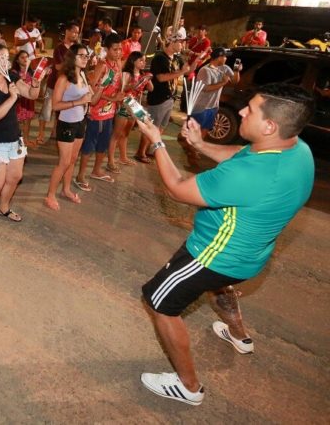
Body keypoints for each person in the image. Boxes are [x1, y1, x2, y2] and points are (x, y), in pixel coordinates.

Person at [135, 83, 315, 405]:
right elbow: (239, 154)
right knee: (222, 286)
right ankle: (238, 335)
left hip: (211, 256)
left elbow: (178, 187)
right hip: (253, 256)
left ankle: (188, 387)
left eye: (251, 109)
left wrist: (157, 142)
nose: (242, 111)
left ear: (269, 125)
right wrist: (200, 143)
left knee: (158, 302)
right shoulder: (297, 150)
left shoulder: (249, 176)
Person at [0, 44, 43, 239]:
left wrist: (36, 83)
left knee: (15, 177)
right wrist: (12, 97)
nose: (5, 60)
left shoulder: (10, 76)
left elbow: (30, 94)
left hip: (14, 137)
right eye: (1, 57)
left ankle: (3, 208)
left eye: (6, 57)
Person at [44, 45, 93, 210]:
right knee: (64, 162)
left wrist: (99, 89)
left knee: (73, 160)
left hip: (81, 121)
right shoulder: (64, 78)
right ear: (73, 57)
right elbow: (55, 106)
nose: (86, 58)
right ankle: (50, 195)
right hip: (66, 123)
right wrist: (79, 101)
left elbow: (90, 99)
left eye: (87, 55)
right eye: (82, 55)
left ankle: (65, 189)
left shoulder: (83, 75)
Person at [74, 34, 124, 190]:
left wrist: (120, 97)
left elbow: (118, 85)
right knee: (90, 144)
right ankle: (81, 175)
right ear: (107, 50)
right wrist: (113, 98)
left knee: (103, 143)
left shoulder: (118, 64)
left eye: (120, 49)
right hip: (96, 112)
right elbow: (93, 88)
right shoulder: (103, 65)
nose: (118, 52)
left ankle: (96, 170)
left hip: (110, 112)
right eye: (115, 49)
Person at [134, 37, 190, 163]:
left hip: (170, 97)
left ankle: (150, 150)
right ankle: (141, 152)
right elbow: (161, 78)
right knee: (152, 126)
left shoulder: (176, 58)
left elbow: (187, 72)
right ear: (171, 43)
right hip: (159, 97)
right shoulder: (160, 58)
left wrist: (197, 59)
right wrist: (181, 71)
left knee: (161, 127)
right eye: (180, 42)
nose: (182, 44)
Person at [36, 21, 80, 146]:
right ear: (67, 31)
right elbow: (58, 66)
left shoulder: (77, 48)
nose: (75, 35)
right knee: (47, 109)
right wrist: (73, 64)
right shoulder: (59, 48)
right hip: (54, 84)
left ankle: (54, 133)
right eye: (73, 32)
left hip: (69, 86)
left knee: (60, 111)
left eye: (77, 32)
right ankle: (40, 133)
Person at [107, 51, 153, 172]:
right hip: (124, 105)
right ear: (133, 61)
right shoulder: (126, 73)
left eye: (144, 61)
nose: (144, 63)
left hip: (135, 107)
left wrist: (147, 79)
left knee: (126, 133)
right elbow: (123, 88)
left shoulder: (142, 74)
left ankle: (123, 157)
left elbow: (151, 88)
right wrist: (137, 83)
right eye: (141, 60)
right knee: (116, 134)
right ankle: (110, 161)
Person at [11, 50, 36, 144]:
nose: (25, 59)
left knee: (28, 120)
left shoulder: (30, 71)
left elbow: (35, 84)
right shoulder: (14, 72)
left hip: (28, 101)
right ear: (17, 60)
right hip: (19, 101)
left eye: (26, 57)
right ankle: (15, 140)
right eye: (22, 57)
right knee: (16, 121)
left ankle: (26, 139)